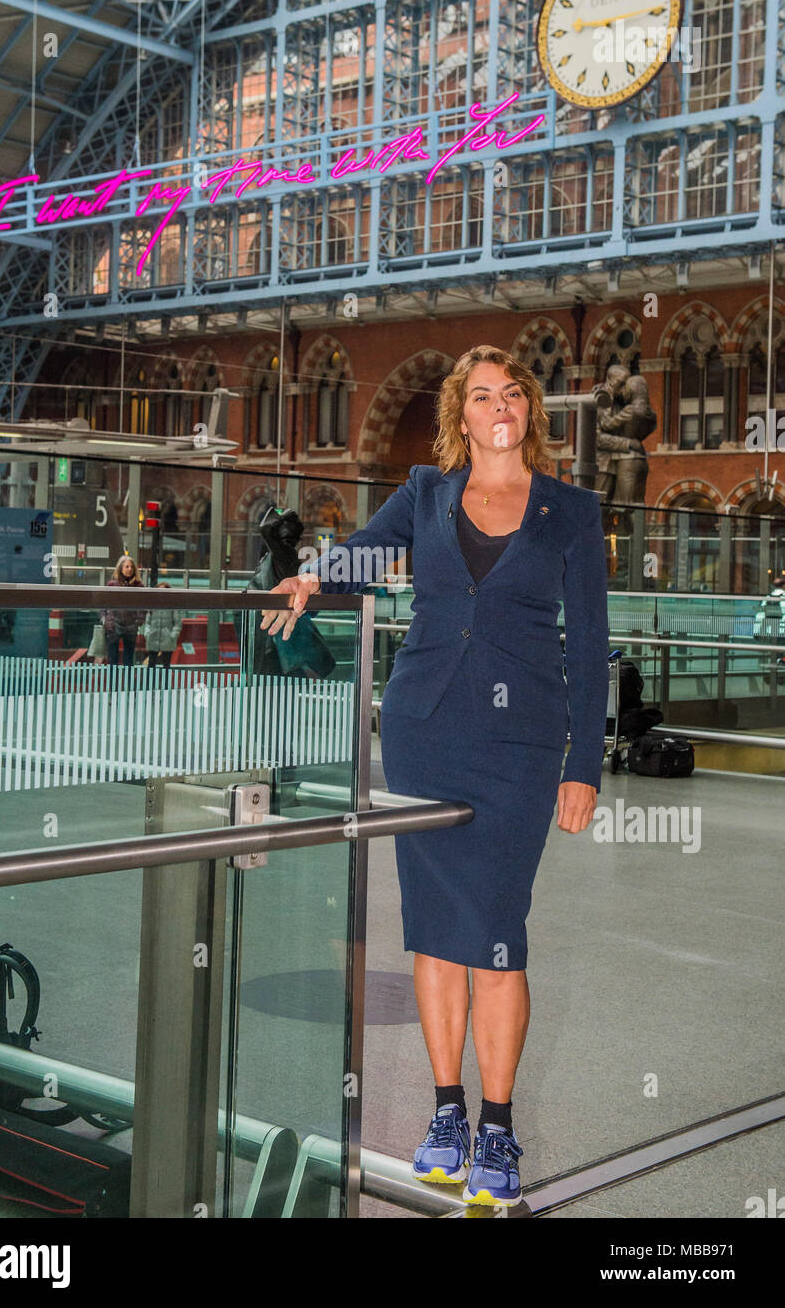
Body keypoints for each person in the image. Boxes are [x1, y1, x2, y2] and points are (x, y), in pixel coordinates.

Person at [259, 344, 609, 1209]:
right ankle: (446, 1110)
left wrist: (585, 765)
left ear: (529, 410)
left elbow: (593, 645)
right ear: (461, 415)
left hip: (522, 747)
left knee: (496, 932)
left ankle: (498, 1121)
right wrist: (313, 574)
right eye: (481, 394)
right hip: (424, 730)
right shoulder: (426, 492)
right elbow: (368, 554)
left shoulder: (571, 509)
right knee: (433, 931)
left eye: (512, 393)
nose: (499, 405)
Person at [103, 555, 144, 667]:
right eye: (127, 566)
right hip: (113, 625)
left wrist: (139, 621)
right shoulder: (112, 585)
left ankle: (127, 683)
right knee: (113, 659)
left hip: (131, 626)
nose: (129, 569)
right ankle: (113, 684)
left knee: (129, 660)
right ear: (120, 568)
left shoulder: (139, 586)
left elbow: (143, 606)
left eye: (131, 567)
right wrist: (107, 621)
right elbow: (104, 605)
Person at [143, 582, 183, 669]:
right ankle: (151, 681)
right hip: (153, 637)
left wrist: (172, 636)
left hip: (167, 639)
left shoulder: (173, 606)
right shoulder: (152, 605)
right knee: (151, 663)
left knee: (166, 664)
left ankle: (166, 682)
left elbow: (177, 623)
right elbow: (148, 622)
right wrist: (147, 634)